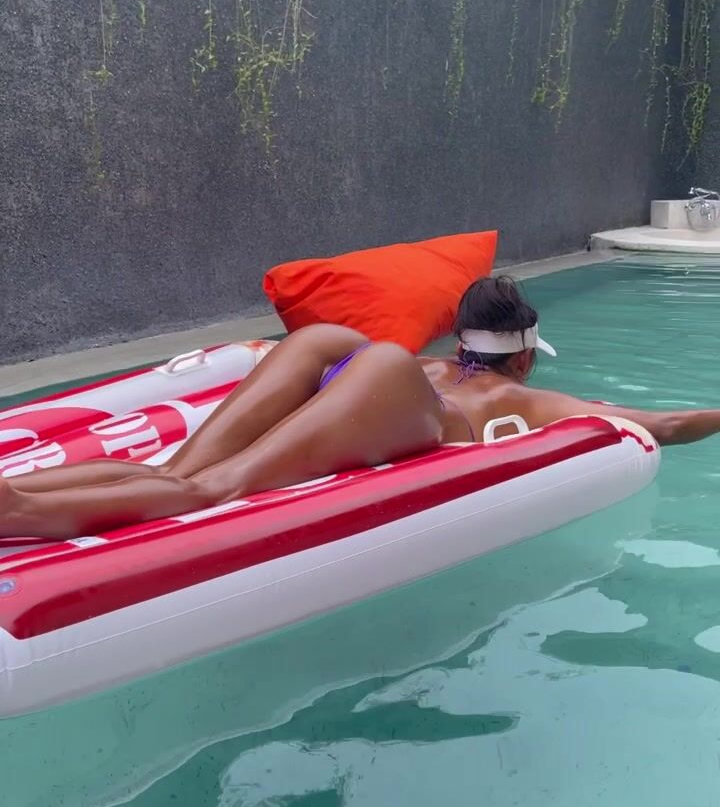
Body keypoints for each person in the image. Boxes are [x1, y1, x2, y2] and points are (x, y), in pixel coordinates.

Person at [1, 276, 719, 542]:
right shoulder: (528, 397)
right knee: (210, 491)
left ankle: (18, 492)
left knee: (175, 469)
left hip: (338, 350)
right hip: (389, 387)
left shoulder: (439, 362)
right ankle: (19, 513)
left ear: (463, 342)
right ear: (525, 356)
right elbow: (667, 426)